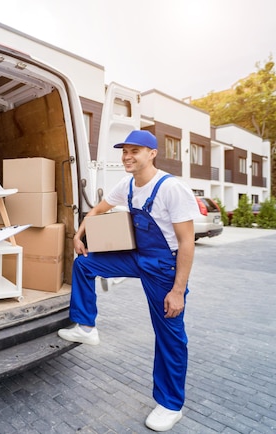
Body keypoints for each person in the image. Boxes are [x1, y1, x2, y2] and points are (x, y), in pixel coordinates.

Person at [57, 130, 200, 432]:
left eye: (135, 150)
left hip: (164, 266)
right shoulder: (127, 184)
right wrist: (79, 235)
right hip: (138, 255)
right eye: (124, 151)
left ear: (152, 153)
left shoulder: (171, 189)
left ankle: (171, 405)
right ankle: (86, 327)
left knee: (170, 335)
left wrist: (177, 291)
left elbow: (187, 243)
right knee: (84, 264)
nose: (127, 156)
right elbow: (97, 210)